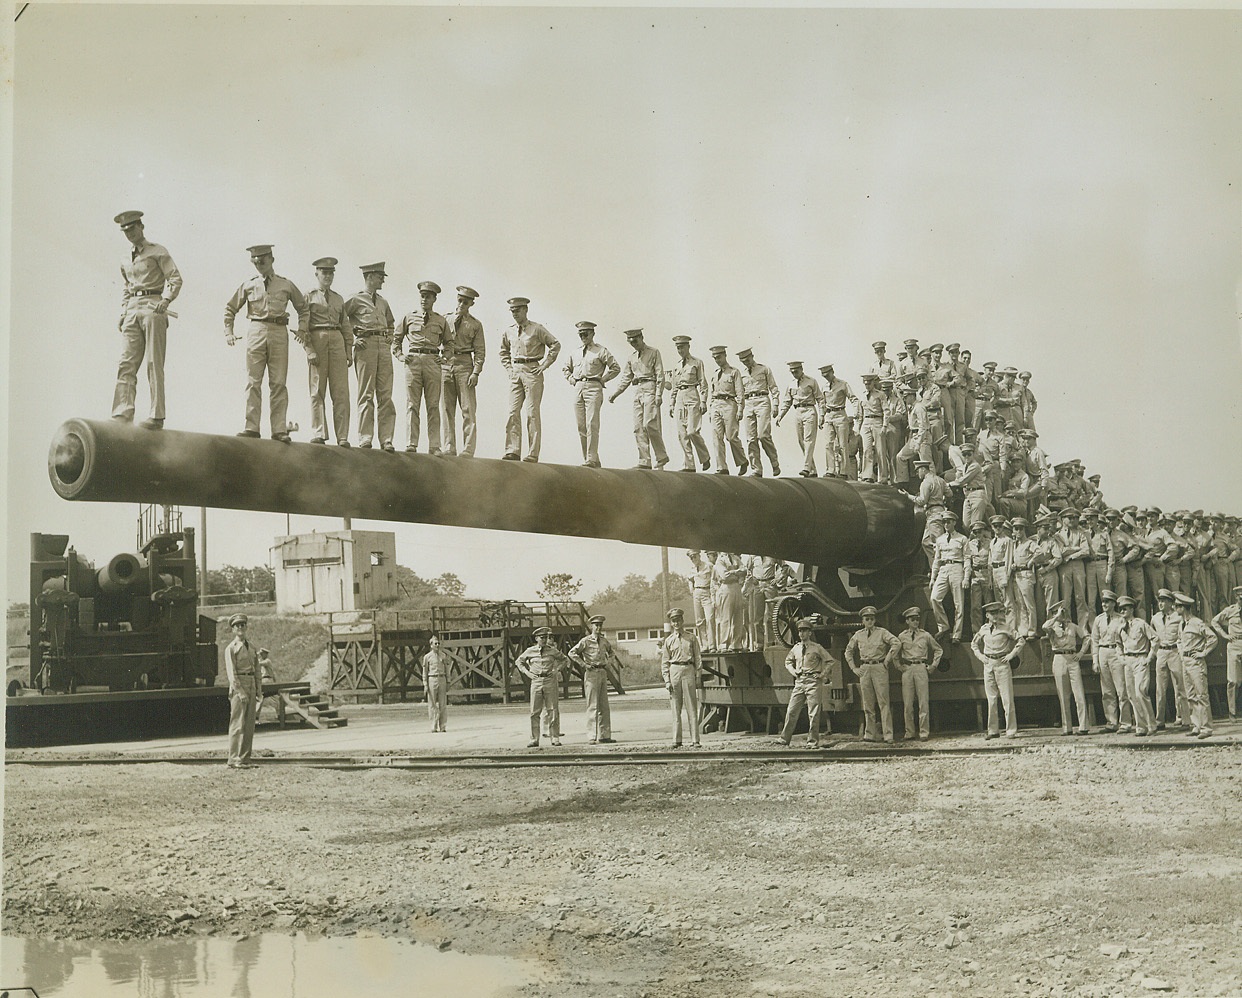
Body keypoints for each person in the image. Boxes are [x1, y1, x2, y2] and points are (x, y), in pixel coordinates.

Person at [224, 244, 311, 442]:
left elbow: (303, 308)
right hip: (256, 330)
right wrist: (228, 331)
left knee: (278, 382)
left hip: (279, 332)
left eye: (262, 261)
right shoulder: (249, 285)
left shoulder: (286, 284)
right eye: (255, 262)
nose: (259, 265)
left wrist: (303, 328)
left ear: (271, 259)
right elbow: (230, 308)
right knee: (253, 381)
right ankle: (251, 427)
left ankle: (279, 429)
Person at [111, 210, 182, 429]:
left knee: (153, 362)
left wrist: (166, 300)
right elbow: (126, 286)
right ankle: (123, 412)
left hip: (153, 306)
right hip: (133, 308)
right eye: (125, 231)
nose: (129, 234)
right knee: (126, 362)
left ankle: (156, 415)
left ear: (141, 227)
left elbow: (175, 278)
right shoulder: (125, 258)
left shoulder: (158, 251)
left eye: (132, 228)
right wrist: (124, 312)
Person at [500, 297, 560, 462]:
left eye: (518, 310)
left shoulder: (537, 329)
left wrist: (544, 365)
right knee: (513, 411)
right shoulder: (509, 331)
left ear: (525, 310)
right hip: (516, 371)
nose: (515, 314)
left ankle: (533, 453)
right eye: (512, 311)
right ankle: (513, 450)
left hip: (532, 371)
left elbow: (555, 345)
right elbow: (503, 351)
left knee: (532, 413)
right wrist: (509, 369)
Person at [345, 262, 397, 451]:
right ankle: (365, 437)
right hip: (365, 347)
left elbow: (391, 323)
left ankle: (386, 439)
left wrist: (389, 338)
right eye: (380, 276)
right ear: (369, 277)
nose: (382, 280)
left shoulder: (383, 302)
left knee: (385, 395)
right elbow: (339, 319)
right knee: (366, 394)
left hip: (382, 347)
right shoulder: (355, 299)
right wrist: (352, 339)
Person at [393, 281, 449, 454]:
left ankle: (434, 445)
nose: (424, 299)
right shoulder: (409, 317)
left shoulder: (441, 320)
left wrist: (445, 357)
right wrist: (401, 356)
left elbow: (450, 343)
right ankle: (411, 443)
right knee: (412, 404)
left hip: (432, 361)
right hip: (413, 361)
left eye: (428, 297)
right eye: (422, 296)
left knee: (433, 405)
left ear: (434, 299)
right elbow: (396, 339)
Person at [304, 257, 353, 446]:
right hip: (318, 339)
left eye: (331, 273)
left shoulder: (338, 298)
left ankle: (342, 436)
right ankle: (318, 432)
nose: (328, 276)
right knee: (317, 389)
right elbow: (303, 325)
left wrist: (349, 350)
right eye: (324, 272)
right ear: (317, 274)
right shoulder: (309, 295)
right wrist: (309, 349)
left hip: (337, 341)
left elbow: (346, 325)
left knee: (341, 391)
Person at [608, 328, 669, 469]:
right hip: (637, 390)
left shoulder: (653, 352)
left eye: (635, 340)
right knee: (638, 427)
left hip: (650, 387)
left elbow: (660, 374)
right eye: (630, 342)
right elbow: (626, 378)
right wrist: (616, 393)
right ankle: (644, 460)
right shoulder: (631, 357)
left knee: (649, 424)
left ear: (641, 338)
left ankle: (661, 456)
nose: (633, 344)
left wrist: (659, 394)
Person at [563, 322, 620, 467]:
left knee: (591, 424)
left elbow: (615, 367)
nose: (583, 337)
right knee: (581, 426)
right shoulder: (575, 352)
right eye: (580, 334)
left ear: (592, 334)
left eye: (586, 334)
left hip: (594, 387)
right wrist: (571, 379)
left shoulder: (600, 351)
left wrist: (603, 379)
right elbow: (565, 368)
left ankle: (591, 458)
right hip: (578, 387)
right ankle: (589, 459)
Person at [776, 619, 835, 747]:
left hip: (813, 683)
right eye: (800, 631)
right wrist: (794, 672)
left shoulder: (817, 648)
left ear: (809, 633)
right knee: (791, 710)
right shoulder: (796, 648)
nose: (802, 634)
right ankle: (784, 739)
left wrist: (822, 674)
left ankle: (812, 741)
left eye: (804, 631)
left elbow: (830, 661)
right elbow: (788, 662)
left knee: (813, 713)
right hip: (799, 682)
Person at [441, 286, 485, 457]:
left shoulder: (475, 324)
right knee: (446, 408)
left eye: (465, 302)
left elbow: (480, 351)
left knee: (468, 409)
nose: (461, 304)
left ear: (471, 303)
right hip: (446, 365)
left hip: (465, 365)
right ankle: (449, 446)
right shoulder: (445, 319)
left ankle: (468, 448)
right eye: (459, 300)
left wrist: (476, 372)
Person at [971, 601, 1026, 739]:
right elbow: (974, 644)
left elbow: (1020, 640)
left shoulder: (1006, 627)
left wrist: (1011, 655)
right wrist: (981, 657)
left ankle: (1011, 730)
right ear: (987, 615)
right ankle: (993, 730)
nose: (996, 616)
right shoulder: (983, 629)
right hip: (988, 664)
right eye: (992, 613)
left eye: (997, 612)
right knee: (991, 699)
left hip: (1002, 664)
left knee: (1007, 698)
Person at [844, 606, 899, 743]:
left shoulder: (882, 633)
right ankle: (870, 734)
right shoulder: (858, 635)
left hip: (879, 667)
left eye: (872, 619)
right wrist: (854, 668)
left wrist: (887, 660)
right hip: (865, 669)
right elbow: (848, 651)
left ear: (875, 620)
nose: (869, 621)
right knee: (867, 704)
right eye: (867, 619)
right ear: (863, 620)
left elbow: (896, 643)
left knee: (883, 702)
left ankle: (888, 735)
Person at [891, 606, 942, 741]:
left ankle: (924, 732)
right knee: (907, 703)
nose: (915, 622)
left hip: (921, 668)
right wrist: (898, 665)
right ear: (907, 621)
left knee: (923, 702)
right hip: (907, 669)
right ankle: (909, 732)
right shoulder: (901, 636)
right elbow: (894, 652)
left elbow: (938, 650)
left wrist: (933, 666)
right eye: (912, 620)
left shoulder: (925, 635)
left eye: (917, 619)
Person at [568, 614, 620, 744]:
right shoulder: (586, 641)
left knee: (604, 706)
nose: (598, 627)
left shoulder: (604, 641)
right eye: (596, 625)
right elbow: (572, 653)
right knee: (592, 706)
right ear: (592, 626)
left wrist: (609, 662)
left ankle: (604, 735)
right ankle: (592, 736)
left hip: (602, 672)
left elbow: (611, 652)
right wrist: (584, 664)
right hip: (591, 673)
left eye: (600, 625)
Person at [514, 626, 569, 747]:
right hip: (536, 681)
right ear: (536, 638)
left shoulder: (552, 650)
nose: (544, 640)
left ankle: (554, 737)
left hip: (549, 680)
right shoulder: (530, 651)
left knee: (552, 710)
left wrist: (556, 670)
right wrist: (527, 673)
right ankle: (534, 739)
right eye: (541, 638)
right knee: (534, 711)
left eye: (546, 637)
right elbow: (519, 661)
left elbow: (564, 660)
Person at [1175, 591, 1218, 739]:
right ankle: (1196, 725)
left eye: (1178, 606)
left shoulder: (1196, 622)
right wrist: (1181, 653)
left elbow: (1212, 638)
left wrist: (1203, 653)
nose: (1175, 608)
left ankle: (1206, 728)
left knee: (1201, 695)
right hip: (1185, 662)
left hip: (1196, 662)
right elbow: (1179, 640)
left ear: (1184, 607)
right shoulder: (1181, 624)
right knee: (1190, 695)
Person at [1043, 600, 1090, 735]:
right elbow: (1044, 626)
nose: (1062, 614)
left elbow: (1087, 638)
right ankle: (1067, 728)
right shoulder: (1052, 627)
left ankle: (1083, 726)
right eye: (1058, 612)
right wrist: (1056, 617)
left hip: (1072, 658)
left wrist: (1081, 653)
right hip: (1059, 659)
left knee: (1079, 693)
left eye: (1063, 611)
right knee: (1063, 695)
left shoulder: (1072, 626)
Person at [668, 336, 711, 472]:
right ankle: (689, 465)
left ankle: (705, 457)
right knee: (682, 433)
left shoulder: (697, 363)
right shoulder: (676, 366)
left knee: (692, 431)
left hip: (692, 394)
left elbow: (703, 383)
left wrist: (703, 401)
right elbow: (674, 386)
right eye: (678, 348)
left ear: (688, 347)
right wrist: (671, 403)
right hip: (680, 397)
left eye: (682, 347)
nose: (680, 350)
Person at [735, 348, 781, 477]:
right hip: (748, 403)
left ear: (752, 356)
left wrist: (776, 404)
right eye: (742, 361)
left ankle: (774, 461)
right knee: (751, 439)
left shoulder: (764, 369)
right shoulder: (741, 374)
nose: (746, 363)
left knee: (763, 435)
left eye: (747, 359)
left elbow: (774, 388)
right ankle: (756, 469)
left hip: (762, 401)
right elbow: (740, 393)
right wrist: (739, 409)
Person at [223, 613, 261, 769]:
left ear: (246, 627)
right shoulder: (231, 648)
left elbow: (257, 669)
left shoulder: (251, 646)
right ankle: (234, 759)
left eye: (242, 625)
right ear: (233, 629)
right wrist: (240, 692)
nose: (240, 628)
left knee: (249, 724)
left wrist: (259, 690)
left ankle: (245, 758)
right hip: (240, 685)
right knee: (237, 724)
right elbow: (231, 674)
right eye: (237, 626)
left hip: (251, 683)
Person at [1091, 590, 1131, 733]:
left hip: (1116, 652)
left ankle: (1125, 723)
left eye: (1107, 602)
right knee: (1107, 691)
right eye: (1103, 602)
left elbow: (1126, 638)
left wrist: (1124, 656)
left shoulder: (1120, 619)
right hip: (1103, 652)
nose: (1104, 604)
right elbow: (1094, 641)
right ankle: (1111, 722)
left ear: (1114, 603)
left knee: (1121, 689)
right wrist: (1095, 660)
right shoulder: (1098, 620)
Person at [661, 608, 702, 748]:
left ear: (682, 621)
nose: (676, 623)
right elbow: (665, 662)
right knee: (675, 707)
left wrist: (698, 676)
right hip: (675, 672)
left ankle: (695, 740)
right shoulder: (669, 641)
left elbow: (698, 658)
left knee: (691, 706)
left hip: (688, 669)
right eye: (673, 621)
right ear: (671, 623)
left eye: (678, 620)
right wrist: (667, 680)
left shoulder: (691, 637)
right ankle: (676, 740)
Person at [776, 361, 823, 477]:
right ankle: (812, 470)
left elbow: (820, 399)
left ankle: (806, 467)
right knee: (801, 440)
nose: (794, 374)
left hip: (809, 410)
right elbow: (787, 402)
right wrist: (780, 416)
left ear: (801, 369)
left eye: (796, 371)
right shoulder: (791, 384)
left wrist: (822, 415)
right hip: (797, 411)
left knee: (808, 440)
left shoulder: (811, 381)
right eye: (792, 372)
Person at [1151, 589, 1189, 730]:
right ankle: (1159, 720)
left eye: (1164, 601)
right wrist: (1154, 652)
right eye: (1159, 601)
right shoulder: (1155, 618)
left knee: (1180, 686)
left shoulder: (1178, 617)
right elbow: (1152, 635)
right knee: (1160, 688)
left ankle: (1184, 719)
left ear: (1170, 603)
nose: (1160, 604)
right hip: (1161, 652)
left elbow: (1183, 635)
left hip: (1174, 652)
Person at [707, 346, 747, 475]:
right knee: (716, 437)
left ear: (725, 355)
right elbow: (712, 393)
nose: (717, 360)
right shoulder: (714, 373)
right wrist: (710, 410)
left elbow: (740, 392)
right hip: (716, 405)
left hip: (729, 404)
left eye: (719, 357)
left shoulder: (734, 372)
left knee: (731, 436)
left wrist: (740, 409)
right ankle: (722, 467)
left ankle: (742, 461)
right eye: (715, 358)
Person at [929, 510, 968, 643]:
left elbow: (967, 559)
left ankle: (957, 635)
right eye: (944, 522)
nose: (946, 524)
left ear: (954, 523)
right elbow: (937, 560)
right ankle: (943, 626)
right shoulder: (940, 540)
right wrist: (933, 578)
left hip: (957, 568)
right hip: (943, 569)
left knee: (959, 603)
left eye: (948, 521)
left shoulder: (962, 539)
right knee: (934, 598)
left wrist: (966, 577)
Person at [819, 364, 856, 478]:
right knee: (828, 444)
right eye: (824, 375)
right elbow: (822, 403)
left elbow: (853, 398)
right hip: (829, 416)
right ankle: (830, 470)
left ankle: (844, 472)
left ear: (832, 372)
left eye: (827, 374)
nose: (826, 377)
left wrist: (856, 412)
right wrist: (821, 416)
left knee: (842, 444)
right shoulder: (824, 386)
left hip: (840, 414)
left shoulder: (843, 384)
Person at [1211, 585, 1242, 719]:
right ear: (1236, 597)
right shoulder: (1230, 611)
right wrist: (1224, 635)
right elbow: (1214, 621)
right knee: (1233, 681)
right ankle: (1232, 712)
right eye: (1240, 596)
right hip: (1234, 645)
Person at [964, 519, 995, 638]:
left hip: (986, 574)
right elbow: (967, 560)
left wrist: (991, 579)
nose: (977, 534)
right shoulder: (970, 544)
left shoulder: (989, 543)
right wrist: (967, 577)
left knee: (989, 604)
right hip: (975, 576)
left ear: (983, 531)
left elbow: (991, 561)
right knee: (975, 606)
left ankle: (991, 628)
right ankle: (976, 631)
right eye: (975, 532)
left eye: (979, 531)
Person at [712, 552, 746, 651]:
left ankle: (736, 644)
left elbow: (745, 570)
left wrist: (733, 572)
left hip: (736, 587)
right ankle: (724, 644)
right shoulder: (720, 560)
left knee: (738, 616)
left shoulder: (735, 557)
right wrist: (737, 572)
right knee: (726, 617)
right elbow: (724, 576)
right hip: (726, 587)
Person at [421, 634, 450, 732]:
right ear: (431, 645)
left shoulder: (443, 655)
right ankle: (433, 725)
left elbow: (447, 669)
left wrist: (448, 681)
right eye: (435, 643)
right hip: (432, 679)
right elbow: (424, 671)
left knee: (443, 704)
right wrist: (425, 684)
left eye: (438, 643)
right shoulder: (427, 657)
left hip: (442, 678)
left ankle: (443, 726)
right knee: (432, 704)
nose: (437, 645)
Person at [688, 550, 716, 650]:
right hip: (697, 593)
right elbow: (690, 580)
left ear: (699, 555)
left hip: (707, 591)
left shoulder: (708, 566)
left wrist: (714, 593)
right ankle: (705, 645)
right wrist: (691, 588)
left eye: (694, 556)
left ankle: (712, 645)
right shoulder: (692, 569)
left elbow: (715, 578)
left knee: (709, 619)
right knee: (699, 621)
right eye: (691, 557)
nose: (693, 559)